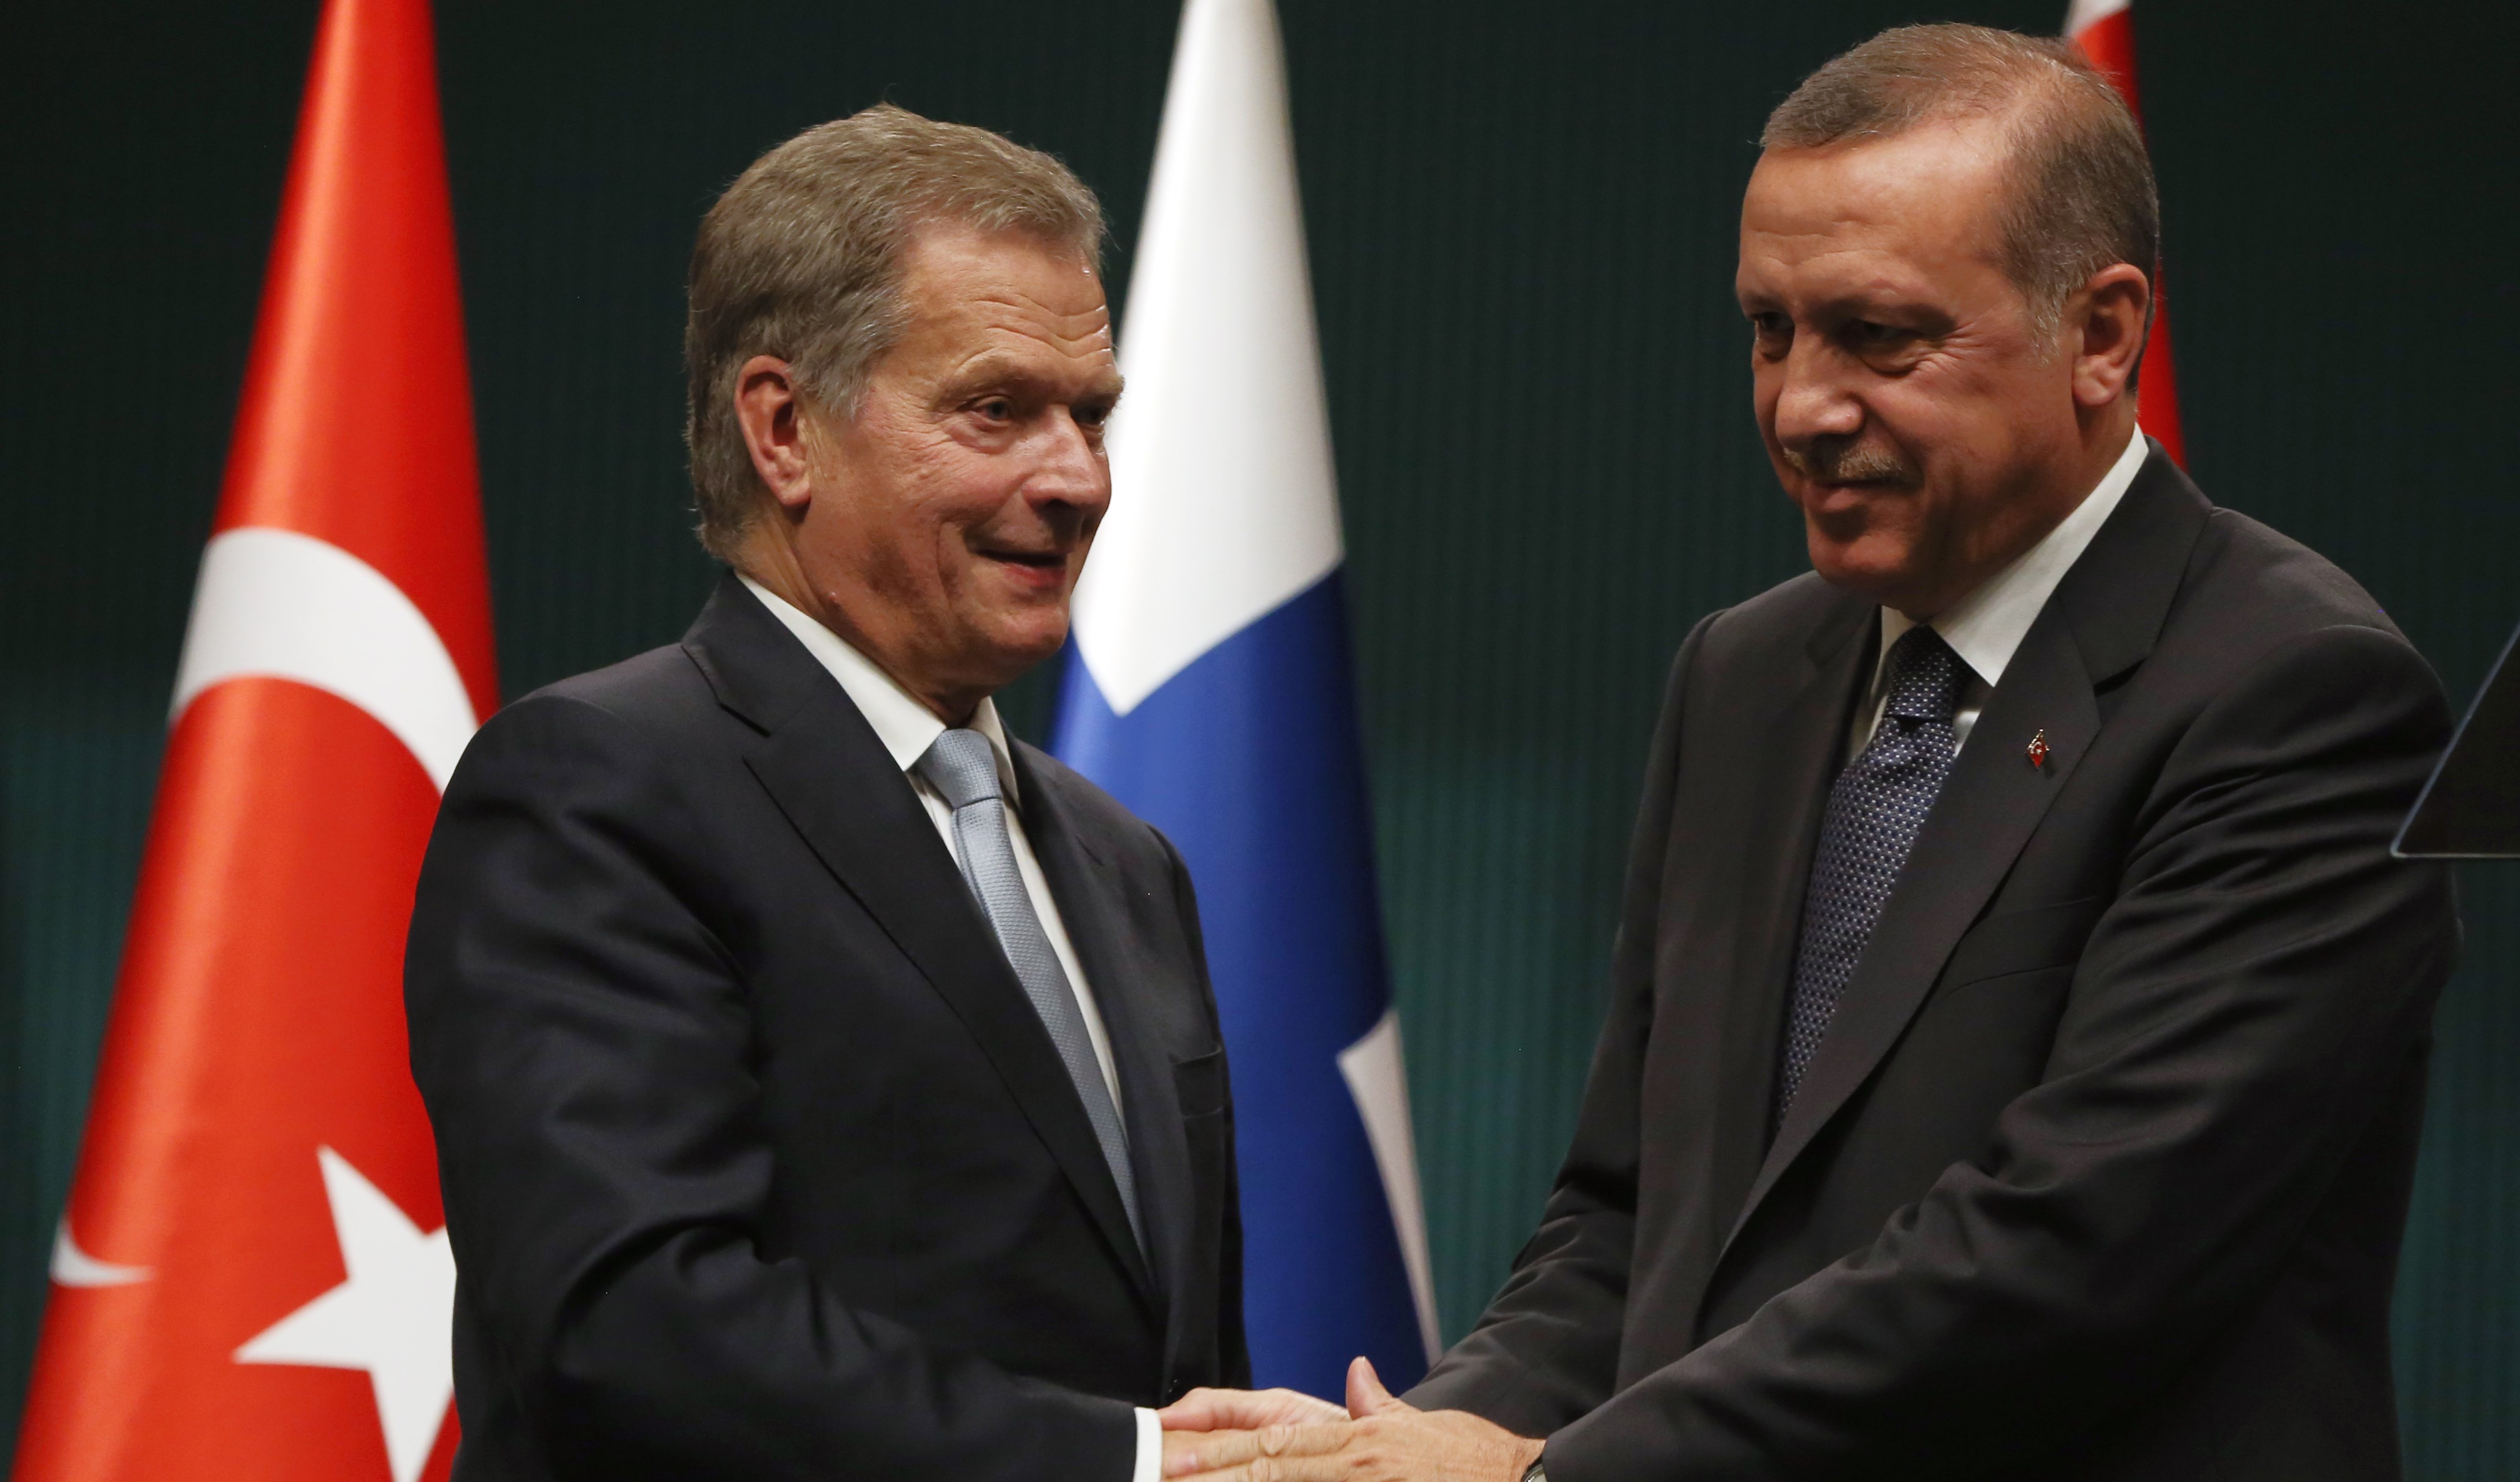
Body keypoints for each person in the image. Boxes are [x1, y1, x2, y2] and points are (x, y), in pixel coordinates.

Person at [1159, 24, 2457, 1482]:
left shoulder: (2297, 695)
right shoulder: (1745, 671)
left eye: (1879, 337)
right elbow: (1629, 1216)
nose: (1799, 406)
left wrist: (1534, 1477)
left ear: (2102, 335)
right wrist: (1393, 1445)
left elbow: (2074, 1256)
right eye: (1770, 329)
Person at [404, 106, 1248, 1481]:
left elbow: (1171, 1351)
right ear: (785, 427)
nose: (1078, 477)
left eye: (1090, 414)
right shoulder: (597, 790)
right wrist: (1126, 1462)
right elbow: (631, 1323)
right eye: (998, 408)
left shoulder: (1123, 860)